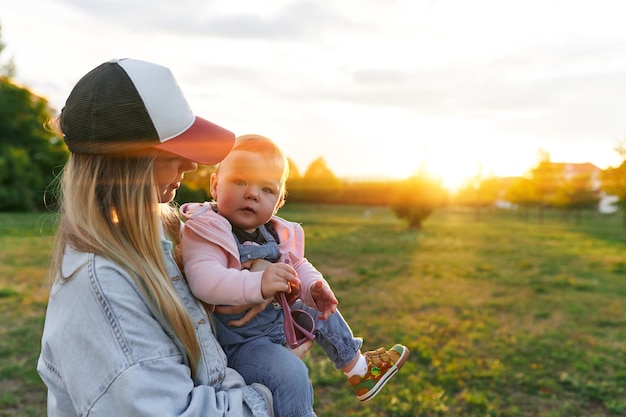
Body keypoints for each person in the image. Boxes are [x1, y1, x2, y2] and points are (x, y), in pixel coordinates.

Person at [37, 58, 274, 417]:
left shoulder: (159, 243)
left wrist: (244, 275)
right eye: (173, 151)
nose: (191, 165)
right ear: (131, 162)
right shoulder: (103, 284)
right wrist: (273, 385)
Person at [180, 134, 410, 416]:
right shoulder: (206, 229)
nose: (252, 193)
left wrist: (313, 286)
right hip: (240, 344)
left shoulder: (274, 232)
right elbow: (204, 280)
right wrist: (258, 282)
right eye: (240, 181)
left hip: (278, 321)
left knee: (322, 312)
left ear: (278, 202)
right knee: (290, 374)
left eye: (266, 189)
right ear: (215, 185)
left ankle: (359, 370)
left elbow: (297, 265)